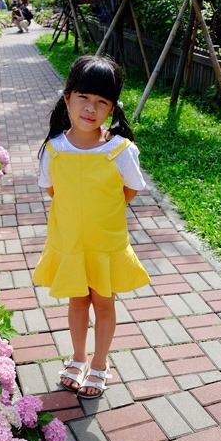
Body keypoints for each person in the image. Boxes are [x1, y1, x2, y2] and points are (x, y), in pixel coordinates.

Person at [32, 55, 150, 398]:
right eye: (83, 97)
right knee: (77, 302)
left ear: (112, 109)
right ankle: (78, 356)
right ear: (67, 97)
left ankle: (99, 362)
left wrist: (103, 211)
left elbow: (129, 190)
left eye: (102, 101)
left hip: (105, 245)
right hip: (69, 242)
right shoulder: (53, 149)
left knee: (104, 301)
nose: (90, 108)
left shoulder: (120, 150)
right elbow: (55, 191)